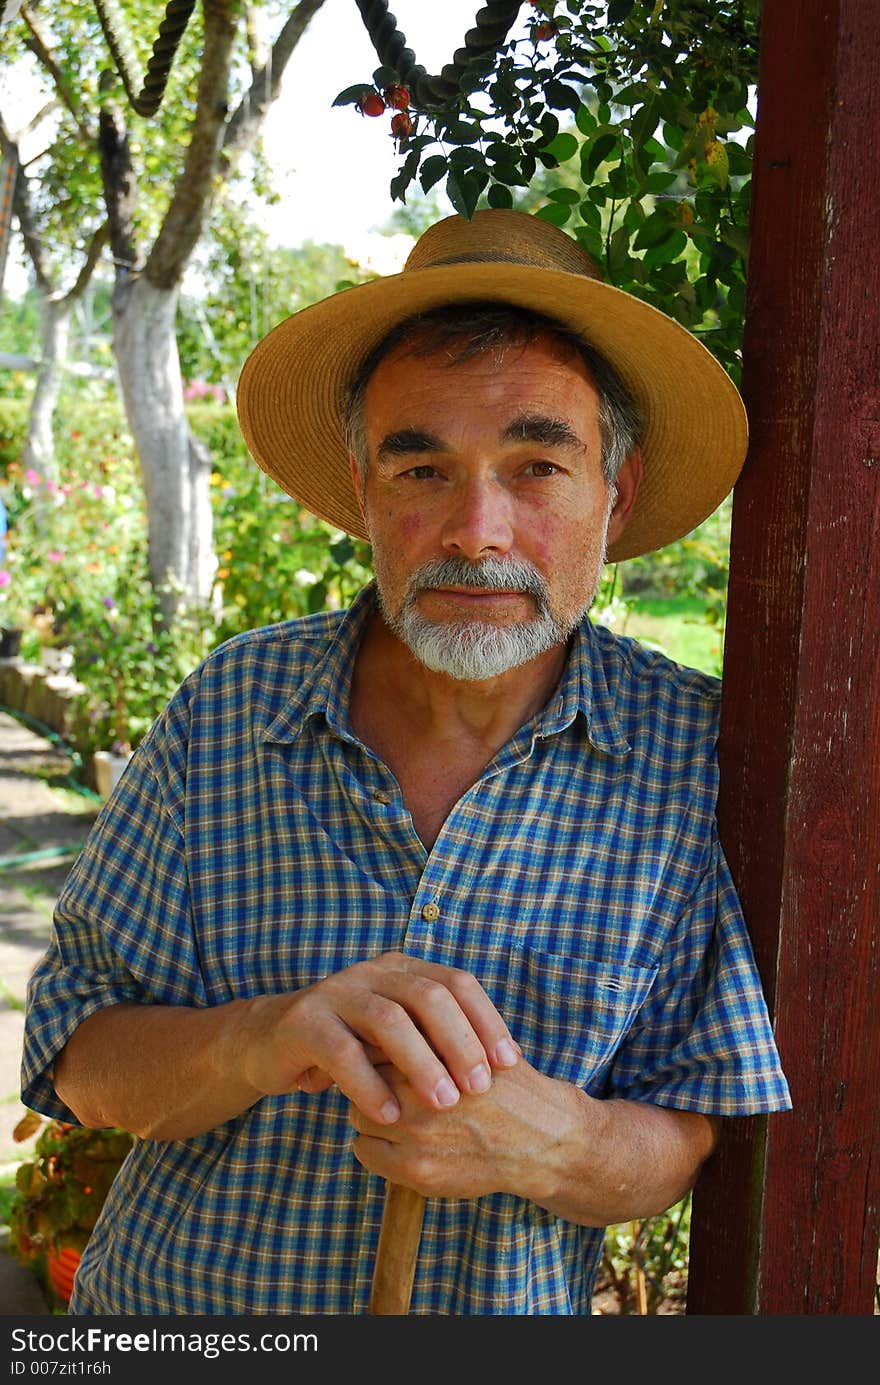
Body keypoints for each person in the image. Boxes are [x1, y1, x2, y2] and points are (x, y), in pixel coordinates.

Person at [21, 208, 791, 1316]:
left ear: (613, 499)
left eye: (536, 466)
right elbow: (77, 1053)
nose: (477, 529)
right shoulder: (234, 710)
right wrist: (254, 1037)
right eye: (421, 467)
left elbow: (686, 1125)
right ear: (363, 490)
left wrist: (553, 1139)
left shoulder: (688, 755)